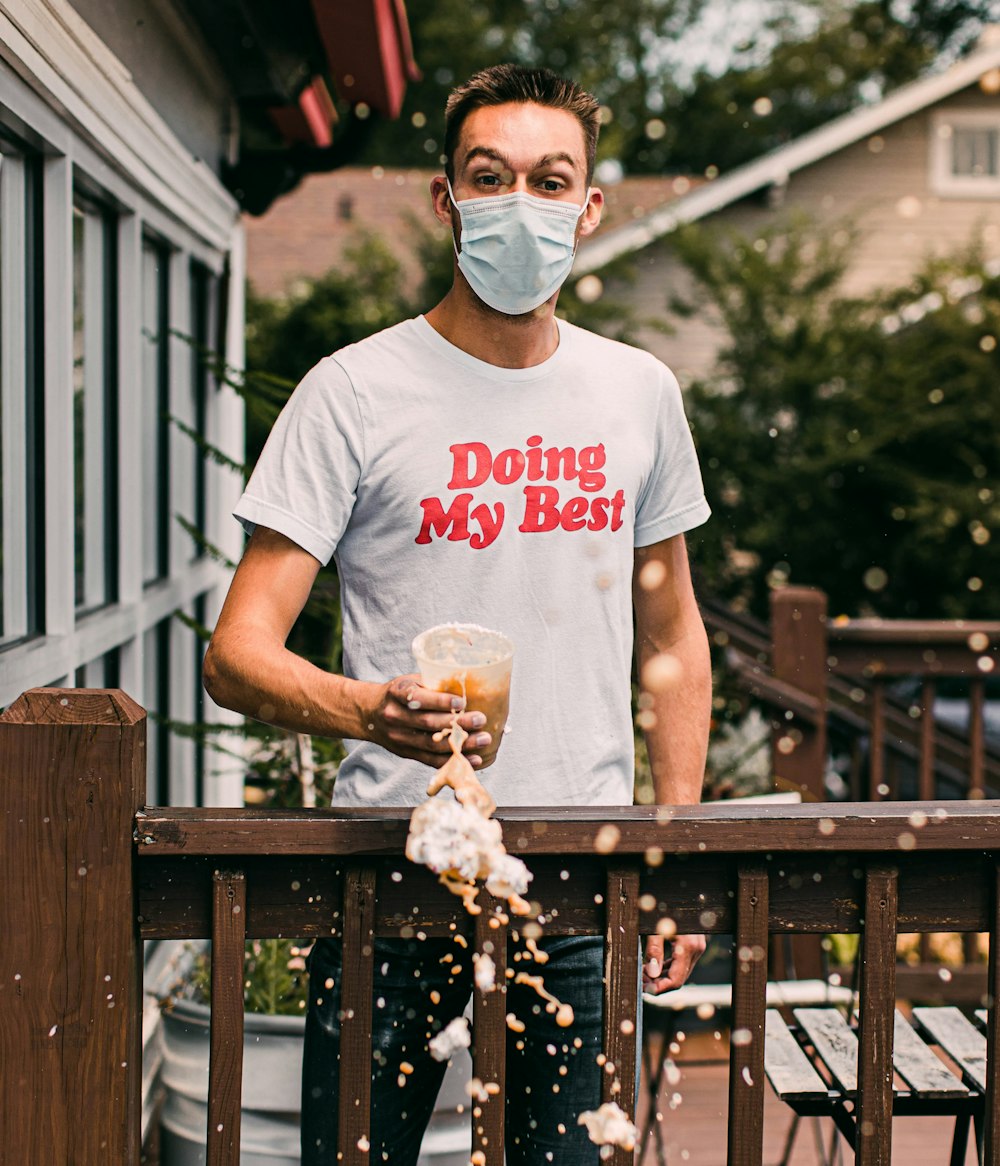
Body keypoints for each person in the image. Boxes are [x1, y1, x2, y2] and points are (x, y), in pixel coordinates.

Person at [204, 63, 712, 1166]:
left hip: (582, 869)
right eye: (491, 176)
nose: (519, 203)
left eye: (549, 179)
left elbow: (673, 639)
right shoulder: (352, 391)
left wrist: (680, 846)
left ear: (589, 207)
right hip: (392, 868)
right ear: (445, 198)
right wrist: (362, 708)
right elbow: (236, 652)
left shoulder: (638, 393)